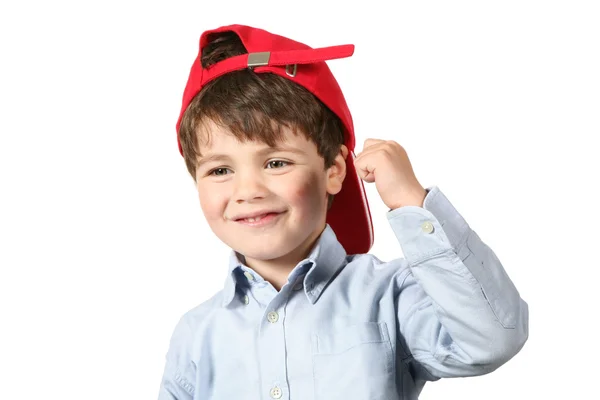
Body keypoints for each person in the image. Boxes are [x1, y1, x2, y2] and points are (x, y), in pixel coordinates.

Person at [158, 24, 529, 400]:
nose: (249, 191)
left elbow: (492, 339)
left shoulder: (390, 296)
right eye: (220, 170)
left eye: (276, 162)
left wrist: (409, 201)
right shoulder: (195, 335)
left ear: (333, 170)